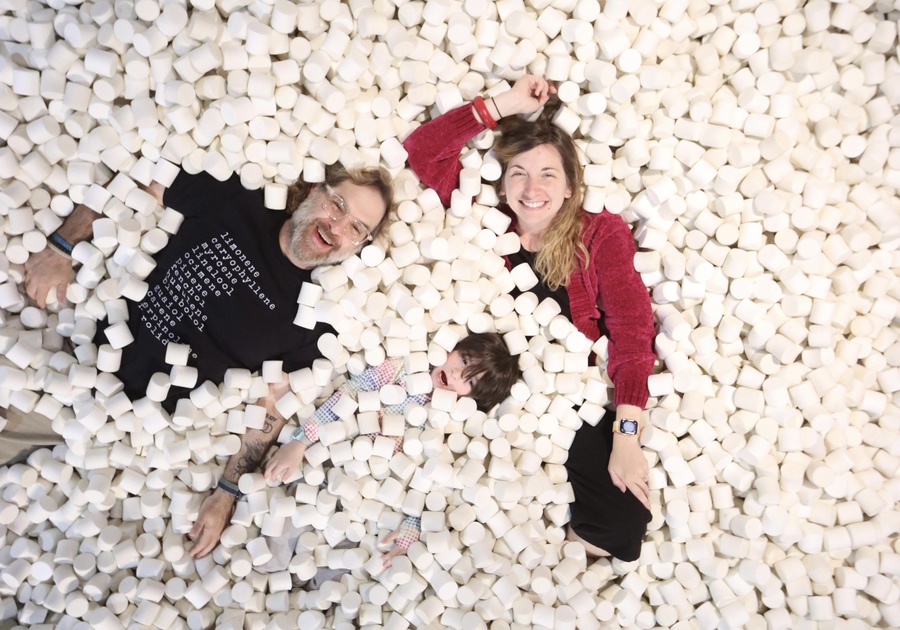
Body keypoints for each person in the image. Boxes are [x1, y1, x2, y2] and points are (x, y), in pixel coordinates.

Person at [15, 163, 394, 558]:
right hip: (68, 363)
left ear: (357, 248)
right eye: (337, 205)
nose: (337, 227)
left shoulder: (314, 322)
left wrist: (227, 492)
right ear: (315, 190)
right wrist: (62, 246)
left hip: (141, 442)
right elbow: (134, 178)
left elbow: (270, 408)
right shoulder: (239, 201)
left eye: (356, 228)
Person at [403, 75, 657, 562]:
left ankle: (541, 554)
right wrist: (504, 104)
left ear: (569, 187)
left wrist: (626, 436)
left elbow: (632, 331)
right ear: (503, 181)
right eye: (518, 172)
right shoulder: (485, 218)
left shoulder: (600, 234)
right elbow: (422, 150)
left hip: (559, 404)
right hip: (475, 389)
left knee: (625, 525)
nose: (532, 188)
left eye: (547, 174)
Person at [264, 331, 521, 565]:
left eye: (471, 383)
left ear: (472, 400)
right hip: (322, 456)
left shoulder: (447, 425)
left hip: (364, 498)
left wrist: (411, 527)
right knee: (273, 540)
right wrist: (301, 441)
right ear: (452, 348)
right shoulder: (400, 367)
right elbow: (352, 391)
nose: (456, 375)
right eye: (464, 361)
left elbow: (431, 483)